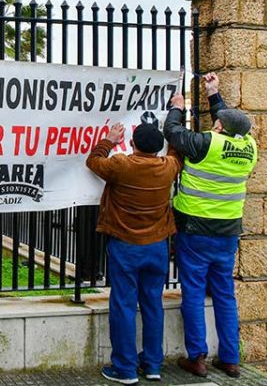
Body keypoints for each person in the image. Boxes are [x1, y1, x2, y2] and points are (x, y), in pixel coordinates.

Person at [164, 73, 257, 379]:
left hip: (195, 230)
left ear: (218, 127)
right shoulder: (249, 149)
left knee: (192, 290)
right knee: (225, 294)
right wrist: (213, 93)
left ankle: (197, 357)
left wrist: (177, 106)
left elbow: (172, 132)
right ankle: (230, 359)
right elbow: (229, 122)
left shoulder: (206, 144)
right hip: (228, 232)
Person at [86, 122, 182, 385]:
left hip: (125, 246)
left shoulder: (121, 165)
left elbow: (93, 161)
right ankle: (152, 365)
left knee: (124, 305)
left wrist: (108, 140)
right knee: (153, 304)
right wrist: (173, 125)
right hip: (157, 247)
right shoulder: (169, 167)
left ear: (132, 144)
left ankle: (125, 369)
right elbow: (177, 152)